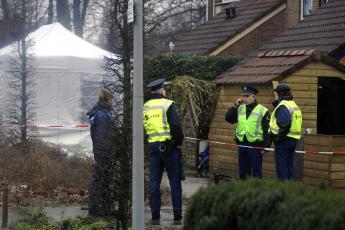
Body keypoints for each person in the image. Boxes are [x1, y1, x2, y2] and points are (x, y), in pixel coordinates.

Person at [143, 78, 184, 225]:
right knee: (175, 182)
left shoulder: (145, 106)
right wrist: (177, 144)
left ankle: (155, 216)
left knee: (154, 183)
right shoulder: (168, 104)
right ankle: (178, 217)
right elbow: (177, 128)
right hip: (169, 148)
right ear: (161, 90)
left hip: (153, 148)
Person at [225, 86, 270, 180]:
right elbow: (229, 119)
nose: (244, 98)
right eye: (243, 96)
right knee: (243, 172)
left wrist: (266, 146)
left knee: (256, 173)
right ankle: (243, 191)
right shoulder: (240, 108)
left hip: (256, 146)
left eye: (247, 96)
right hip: (242, 144)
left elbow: (267, 130)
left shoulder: (263, 110)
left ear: (253, 96)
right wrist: (234, 106)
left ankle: (255, 193)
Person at [87, 88, 119, 217]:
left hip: (102, 151)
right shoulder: (102, 115)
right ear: (108, 100)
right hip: (105, 151)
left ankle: (105, 206)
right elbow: (104, 136)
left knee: (103, 179)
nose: (113, 103)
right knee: (101, 178)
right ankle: (97, 207)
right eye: (112, 99)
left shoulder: (100, 113)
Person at [269, 83, 302, 180]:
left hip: (284, 140)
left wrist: (277, 139)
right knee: (289, 165)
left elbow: (285, 124)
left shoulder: (283, 105)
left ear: (280, 94)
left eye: (277, 93)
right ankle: (289, 188)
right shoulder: (293, 104)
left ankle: (283, 190)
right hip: (293, 140)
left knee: (282, 166)